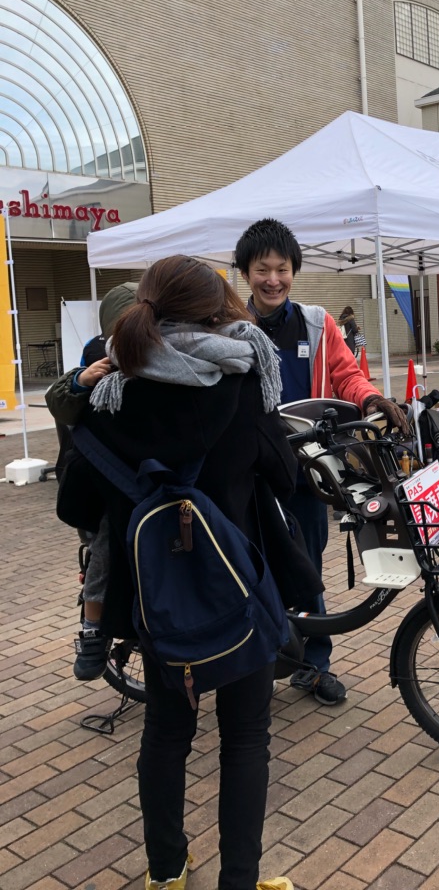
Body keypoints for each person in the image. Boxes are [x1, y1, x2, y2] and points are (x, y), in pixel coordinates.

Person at [56, 256, 295, 890]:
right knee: (246, 738)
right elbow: (286, 475)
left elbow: (72, 503)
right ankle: (239, 881)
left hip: (155, 605)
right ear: (218, 311)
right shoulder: (243, 377)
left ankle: (166, 872)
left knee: (166, 734)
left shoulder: (110, 386)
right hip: (234, 593)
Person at [234, 218, 408, 706]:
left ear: (294, 271)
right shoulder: (231, 328)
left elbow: (346, 375)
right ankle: (256, 661)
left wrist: (373, 400)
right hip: (248, 472)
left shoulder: (316, 323)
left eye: (282, 269)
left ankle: (314, 664)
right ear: (246, 273)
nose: (273, 279)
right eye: (262, 269)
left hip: (305, 469)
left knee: (308, 566)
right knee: (252, 567)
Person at [46, 282, 138, 680]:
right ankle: (92, 630)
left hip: (141, 482)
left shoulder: (163, 353)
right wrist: (84, 381)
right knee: (103, 550)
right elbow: (59, 402)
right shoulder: (93, 358)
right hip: (97, 489)